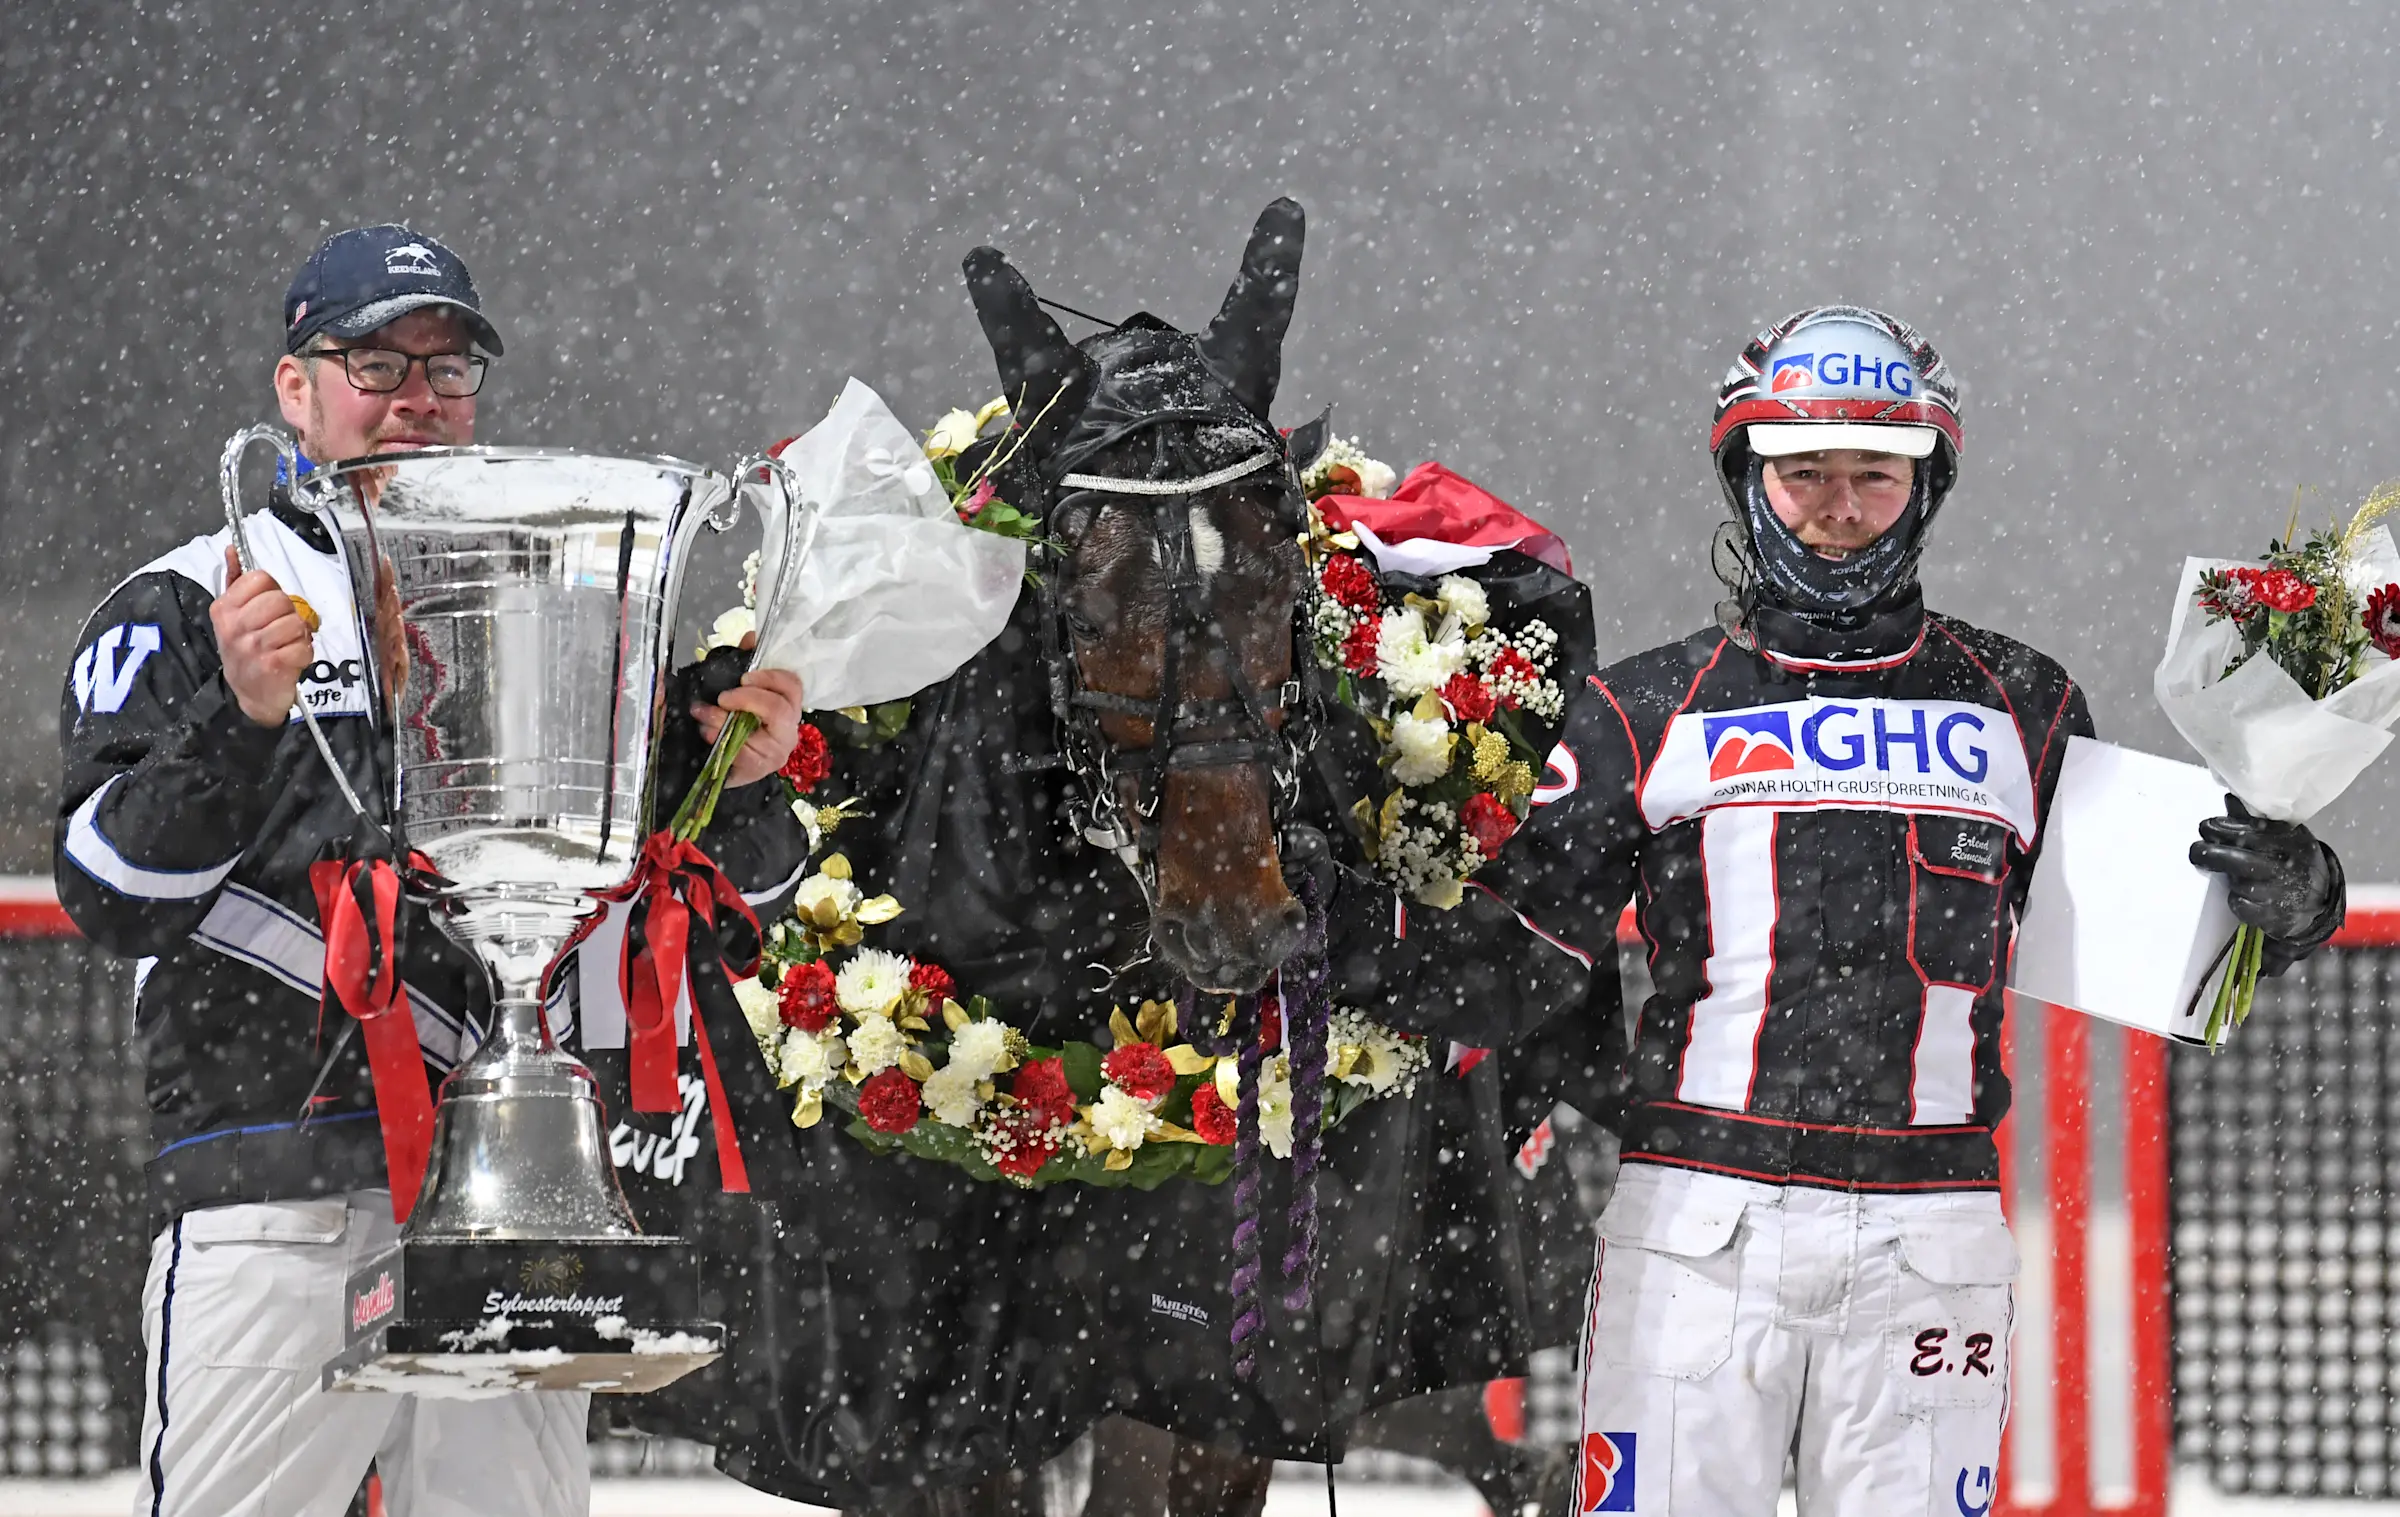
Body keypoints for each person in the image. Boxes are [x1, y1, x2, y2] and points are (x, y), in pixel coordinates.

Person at [1345, 306, 2345, 1514]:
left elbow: (2175, 949)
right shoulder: (1644, 706)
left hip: (1933, 1241)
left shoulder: (2023, 702)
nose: (1839, 503)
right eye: (1804, 471)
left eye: (1876, 471)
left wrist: (2294, 898)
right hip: (1695, 1229)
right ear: (1746, 477)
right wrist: (1334, 877)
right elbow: (1506, 967)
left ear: (1927, 486)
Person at [55, 223, 805, 1517]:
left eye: (448, 369)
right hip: (280, 1193)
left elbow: (726, 912)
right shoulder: (194, 597)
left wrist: (737, 793)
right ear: (293, 386)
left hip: (522, 1191)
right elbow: (110, 893)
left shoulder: (571, 590)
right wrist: (239, 721)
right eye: (373, 362)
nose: (416, 396)